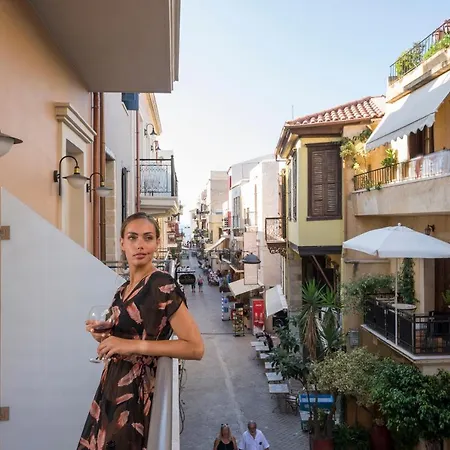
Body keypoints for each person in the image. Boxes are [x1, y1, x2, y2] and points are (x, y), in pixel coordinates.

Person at [78, 212, 204, 450]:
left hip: (135, 393)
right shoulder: (123, 289)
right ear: (122, 243)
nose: (140, 245)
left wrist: (132, 345)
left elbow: (195, 347)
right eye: (132, 237)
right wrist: (103, 337)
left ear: (157, 243)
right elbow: (125, 335)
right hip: (112, 385)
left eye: (147, 238)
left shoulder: (162, 285)